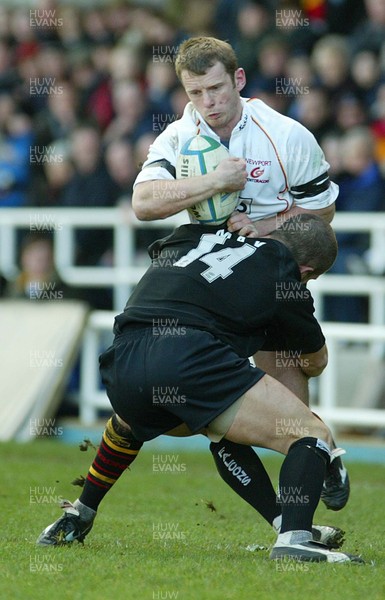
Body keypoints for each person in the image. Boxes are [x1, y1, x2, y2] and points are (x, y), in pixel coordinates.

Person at [37, 214, 363, 563]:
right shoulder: (284, 270)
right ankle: (295, 541)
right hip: (188, 359)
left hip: (123, 362)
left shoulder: (192, 233)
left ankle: (80, 513)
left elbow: (161, 252)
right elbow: (315, 360)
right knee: (311, 434)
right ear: (307, 271)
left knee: (166, 424)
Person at [131, 36, 348, 511]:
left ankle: (316, 467)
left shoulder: (286, 135)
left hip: (272, 278)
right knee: (220, 412)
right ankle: (286, 514)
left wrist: (265, 227)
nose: (208, 103)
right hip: (212, 284)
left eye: (215, 88)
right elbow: (143, 203)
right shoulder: (177, 137)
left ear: (238, 79)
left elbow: (324, 210)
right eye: (194, 93)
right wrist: (215, 183)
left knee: (293, 403)